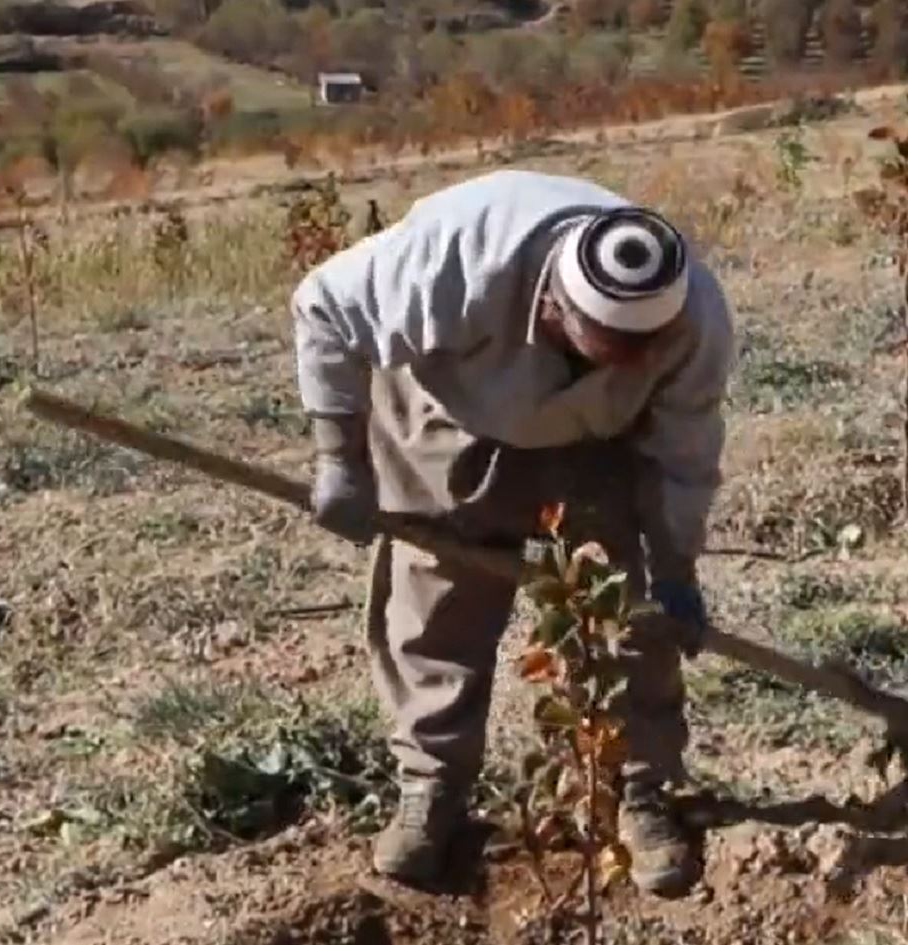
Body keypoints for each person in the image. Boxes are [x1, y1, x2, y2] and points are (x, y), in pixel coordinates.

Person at [289, 169, 735, 897]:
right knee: (436, 609)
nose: (630, 361)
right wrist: (339, 458)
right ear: (555, 306)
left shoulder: (694, 317)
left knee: (626, 613)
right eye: (609, 348)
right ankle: (432, 787)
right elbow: (325, 306)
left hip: (598, 440)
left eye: (641, 351)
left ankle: (637, 788)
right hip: (450, 411)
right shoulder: (460, 253)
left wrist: (677, 568)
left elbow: (685, 451)